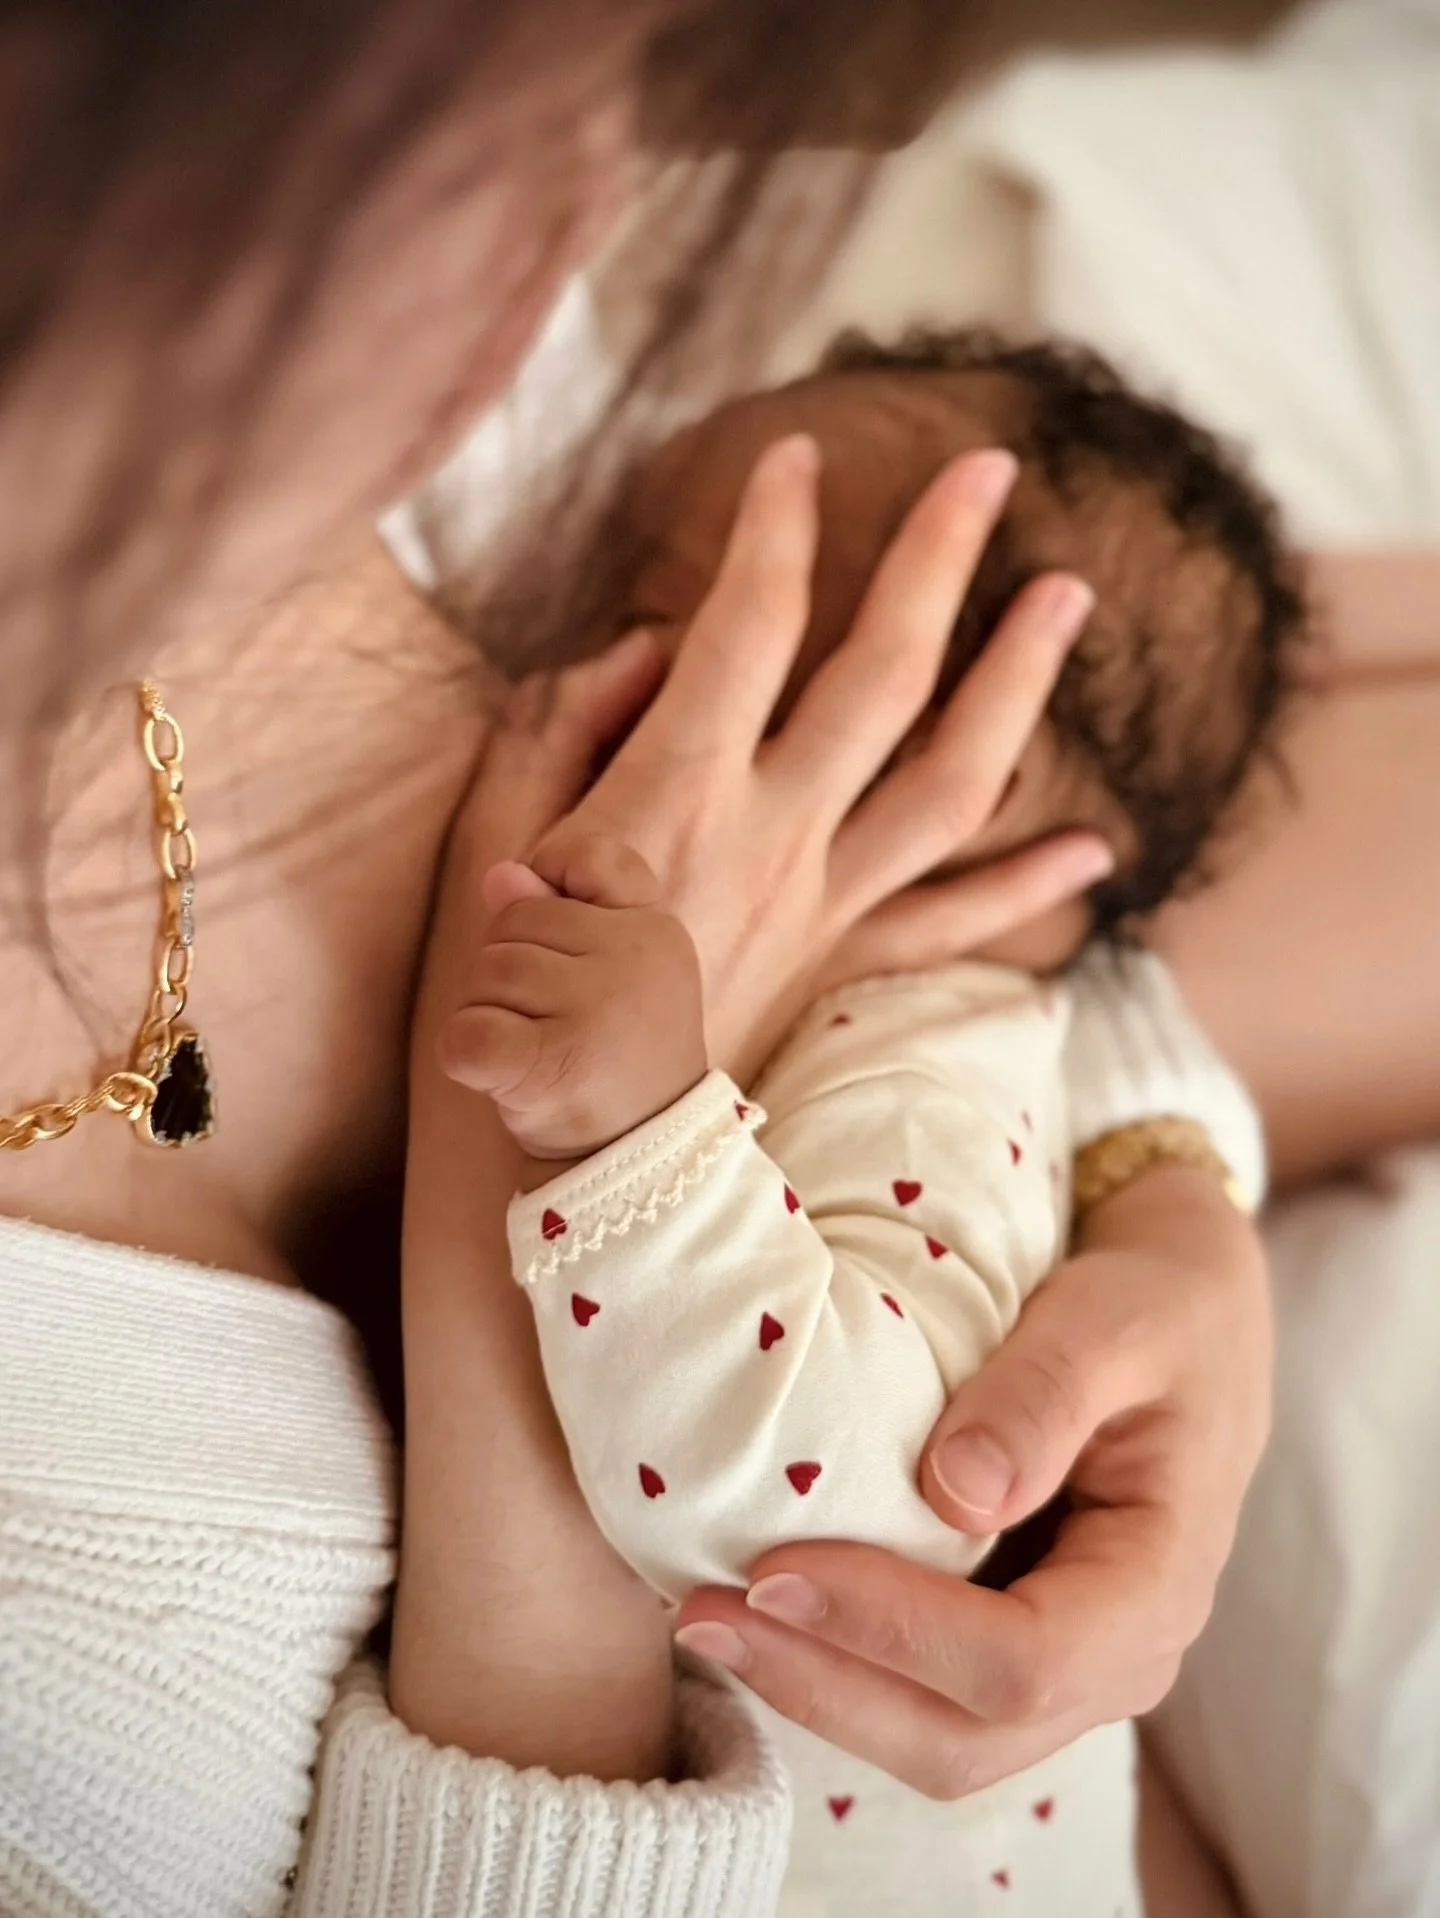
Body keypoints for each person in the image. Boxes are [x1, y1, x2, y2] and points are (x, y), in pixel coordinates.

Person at [0, 3, 1427, 1915]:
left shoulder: (367, 387)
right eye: (510, 136)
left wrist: (1159, 1186)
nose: (601, 211)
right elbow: (819, 1510)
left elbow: (1032, 825)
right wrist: (579, 1157)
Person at [430, 328, 1298, 1913]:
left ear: (954, 785)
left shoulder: (932, 1080)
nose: (552, 663)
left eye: (659, 634)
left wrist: (645, 1125)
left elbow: (824, 1516)